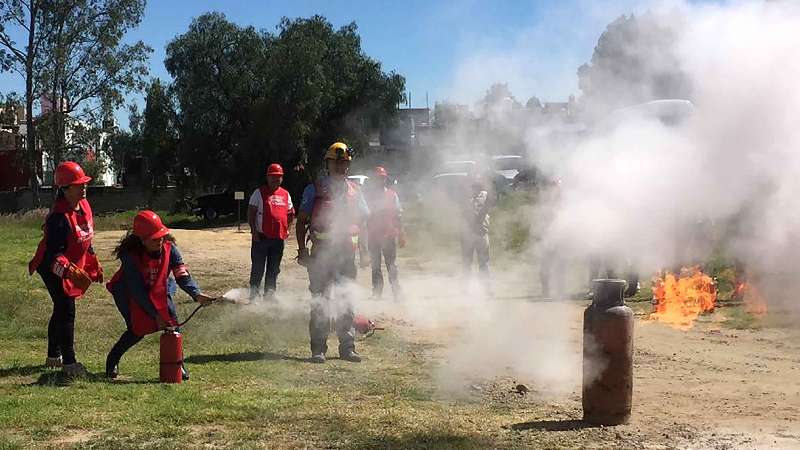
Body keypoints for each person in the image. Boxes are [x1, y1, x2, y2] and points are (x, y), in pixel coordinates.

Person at [104, 210, 214, 380]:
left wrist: (196, 294)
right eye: (155, 238)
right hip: (128, 292)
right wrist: (155, 315)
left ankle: (178, 366)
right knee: (137, 330)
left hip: (160, 287)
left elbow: (182, 275)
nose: (160, 241)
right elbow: (137, 290)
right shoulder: (130, 256)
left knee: (172, 325)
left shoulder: (171, 249)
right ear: (142, 239)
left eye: (161, 236)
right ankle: (112, 361)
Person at [296, 142, 369, 363]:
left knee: (346, 300)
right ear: (328, 163)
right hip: (320, 256)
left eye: (344, 162)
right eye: (336, 162)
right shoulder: (314, 190)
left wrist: (364, 251)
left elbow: (362, 222)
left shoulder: (356, 190)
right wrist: (302, 250)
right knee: (320, 301)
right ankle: (318, 349)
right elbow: (301, 223)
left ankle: (347, 347)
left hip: (347, 255)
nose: (341, 166)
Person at [28, 161, 103, 378]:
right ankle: (69, 363)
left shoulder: (84, 205)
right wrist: (69, 271)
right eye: (78, 185)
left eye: (84, 183)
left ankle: (53, 356)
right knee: (66, 308)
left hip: (68, 262)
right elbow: (53, 254)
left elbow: (86, 238)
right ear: (65, 189)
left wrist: (93, 262)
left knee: (60, 308)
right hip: (51, 264)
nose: (84, 187)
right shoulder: (58, 218)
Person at [247, 163, 295, 301]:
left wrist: (288, 229)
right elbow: (251, 212)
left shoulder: (285, 194)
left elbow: (290, 213)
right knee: (258, 267)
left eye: (279, 177)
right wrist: (253, 231)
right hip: (261, 238)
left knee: (274, 268)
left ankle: (270, 294)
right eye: (273, 177)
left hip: (278, 239)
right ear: (267, 177)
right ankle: (254, 294)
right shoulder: (259, 193)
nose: (276, 179)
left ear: (282, 178)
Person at [364, 166, 405, 300]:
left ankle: (396, 292)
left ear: (385, 179)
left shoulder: (392, 195)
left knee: (391, 265)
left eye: (382, 178)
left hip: (388, 235)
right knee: (375, 266)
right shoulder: (367, 196)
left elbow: (398, 215)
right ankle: (377, 292)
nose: (380, 181)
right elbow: (363, 216)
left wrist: (402, 234)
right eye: (377, 178)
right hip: (373, 236)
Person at [460, 174, 492, 288]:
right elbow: (464, 214)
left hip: (478, 232)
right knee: (472, 263)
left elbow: (486, 209)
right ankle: (470, 288)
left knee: (479, 262)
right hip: (474, 233)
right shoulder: (467, 197)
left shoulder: (484, 196)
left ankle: (484, 288)